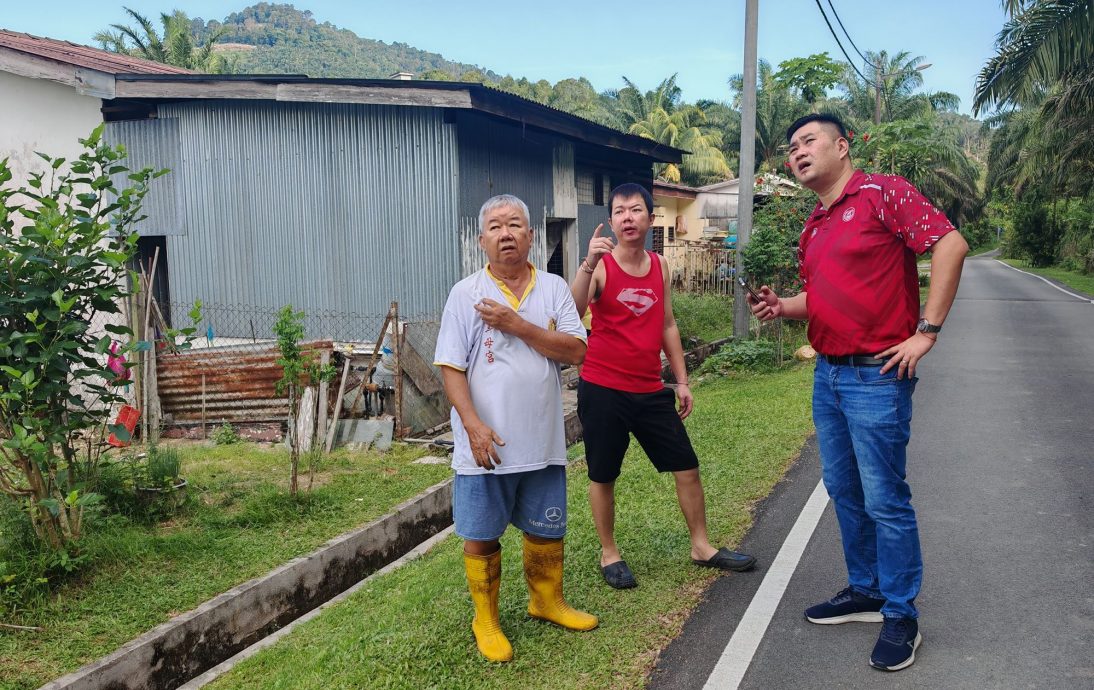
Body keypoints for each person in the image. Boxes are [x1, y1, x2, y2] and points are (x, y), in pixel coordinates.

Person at [748, 114, 968, 672]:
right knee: (844, 488)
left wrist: (928, 331)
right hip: (831, 375)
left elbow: (950, 245)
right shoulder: (815, 224)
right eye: (791, 146)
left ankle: (901, 614)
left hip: (878, 375)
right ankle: (866, 590)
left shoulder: (882, 193)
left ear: (842, 147)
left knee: (884, 497)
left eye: (809, 141)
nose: (797, 152)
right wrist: (783, 306)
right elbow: (821, 299)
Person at [434, 194, 597, 663]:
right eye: (496, 226)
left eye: (515, 225)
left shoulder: (553, 289)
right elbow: (450, 367)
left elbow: (576, 351)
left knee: (546, 528)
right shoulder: (464, 293)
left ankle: (546, 600)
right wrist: (472, 425)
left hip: (543, 439)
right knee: (482, 533)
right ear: (481, 238)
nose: (506, 234)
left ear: (531, 235)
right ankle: (485, 619)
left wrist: (516, 324)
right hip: (485, 443)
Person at [570, 182, 756, 590]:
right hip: (602, 387)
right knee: (603, 474)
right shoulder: (601, 265)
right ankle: (609, 553)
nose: (627, 218)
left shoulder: (659, 266)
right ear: (612, 221)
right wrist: (586, 264)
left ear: (650, 219)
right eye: (619, 212)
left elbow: (668, 324)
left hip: (649, 388)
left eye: (635, 210)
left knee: (686, 466)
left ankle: (702, 546)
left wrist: (682, 380)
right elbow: (574, 311)